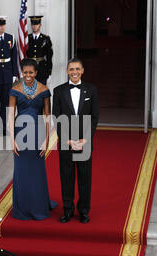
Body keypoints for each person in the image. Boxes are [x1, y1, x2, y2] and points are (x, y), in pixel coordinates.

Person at [8, 58, 57, 220]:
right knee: (21, 172)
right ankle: (22, 209)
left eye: (30, 72)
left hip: (38, 134)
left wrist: (47, 139)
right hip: (20, 134)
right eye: (25, 72)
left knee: (37, 172)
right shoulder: (15, 89)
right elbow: (10, 116)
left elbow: (48, 116)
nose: (27, 75)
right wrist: (11, 139)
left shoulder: (44, 90)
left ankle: (38, 205)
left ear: (36, 73)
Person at [52, 58, 99, 224]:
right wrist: (68, 140)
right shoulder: (58, 91)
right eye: (71, 69)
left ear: (83, 70)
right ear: (66, 71)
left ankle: (84, 211)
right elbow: (56, 118)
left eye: (77, 69)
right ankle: (67, 210)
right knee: (67, 177)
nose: (74, 72)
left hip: (84, 141)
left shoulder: (91, 90)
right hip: (66, 142)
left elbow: (94, 117)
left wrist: (85, 138)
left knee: (85, 178)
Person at [26, 16, 53, 85]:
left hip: (42, 69)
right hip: (30, 68)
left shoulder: (45, 39)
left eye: (36, 24)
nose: (34, 26)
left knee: (41, 92)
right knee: (30, 92)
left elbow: (49, 56)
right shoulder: (27, 38)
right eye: (33, 24)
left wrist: (49, 72)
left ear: (40, 25)